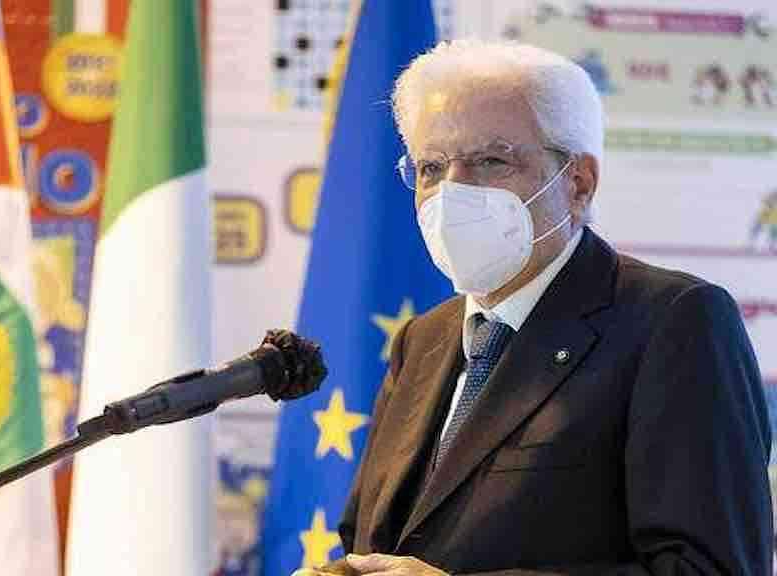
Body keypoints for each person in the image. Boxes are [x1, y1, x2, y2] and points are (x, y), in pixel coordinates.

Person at [298, 40, 772, 575]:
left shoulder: (675, 321)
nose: (452, 192)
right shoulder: (422, 339)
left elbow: (713, 568)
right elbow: (370, 540)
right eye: (431, 167)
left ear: (578, 184)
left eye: (491, 161)